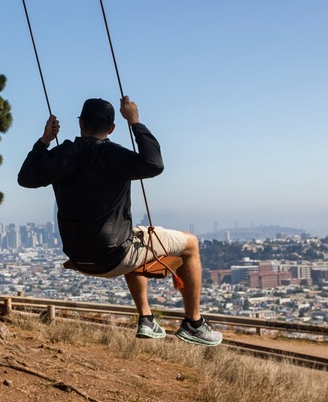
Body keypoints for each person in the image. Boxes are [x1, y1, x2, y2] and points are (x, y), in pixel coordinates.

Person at [17, 96, 222, 346]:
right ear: (112, 128)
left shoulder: (63, 154)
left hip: (77, 257)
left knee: (134, 237)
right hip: (112, 256)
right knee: (190, 244)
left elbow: (25, 177)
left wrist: (45, 141)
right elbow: (154, 164)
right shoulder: (113, 155)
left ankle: (147, 317)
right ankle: (194, 323)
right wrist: (135, 122)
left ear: (80, 123)